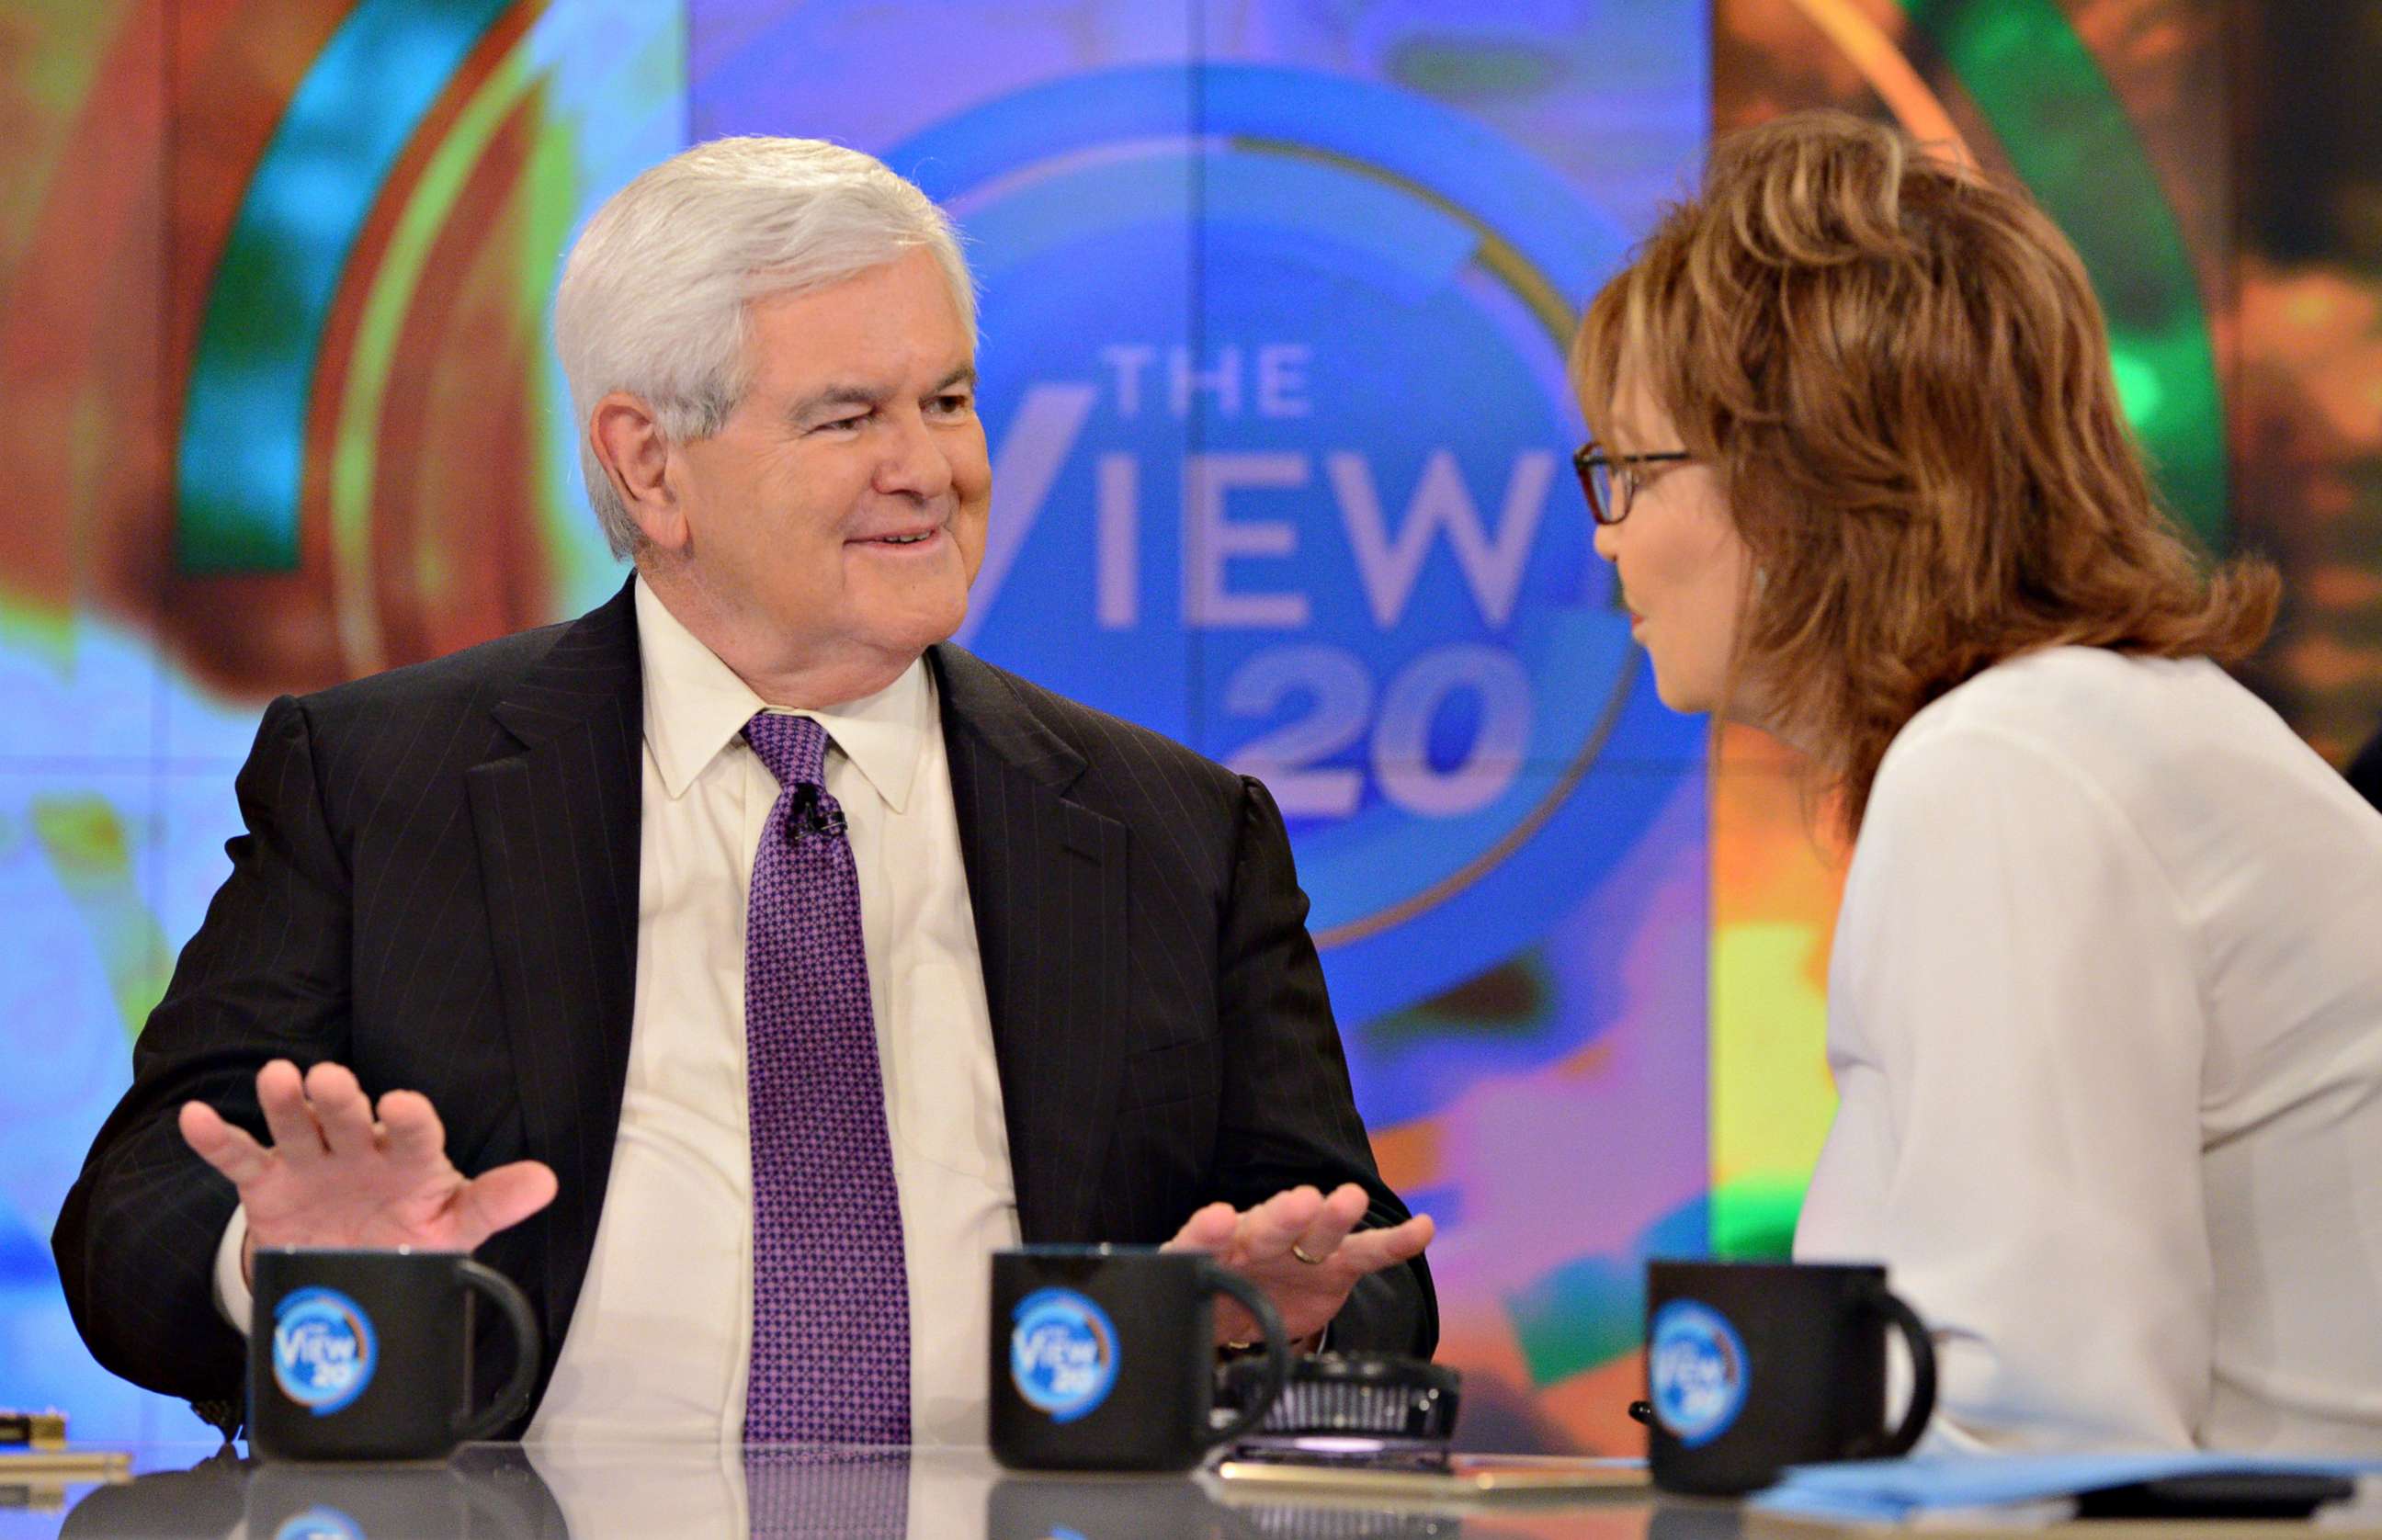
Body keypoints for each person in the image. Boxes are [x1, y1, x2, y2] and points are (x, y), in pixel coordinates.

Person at [52, 137, 1435, 1445]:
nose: (931, 470)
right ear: (650, 466)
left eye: (947, 400)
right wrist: (288, 1259)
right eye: (849, 417)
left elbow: (1366, 1265)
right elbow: (135, 1213)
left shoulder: (1172, 830)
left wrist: (1259, 1317)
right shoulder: (379, 783)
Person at [1573, 111, 2382, 1452]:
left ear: (1801, 477)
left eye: (1633, 471)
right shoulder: (2085, 735)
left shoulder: (2007, 766)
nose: (1609, 539)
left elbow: (2040, 1426)